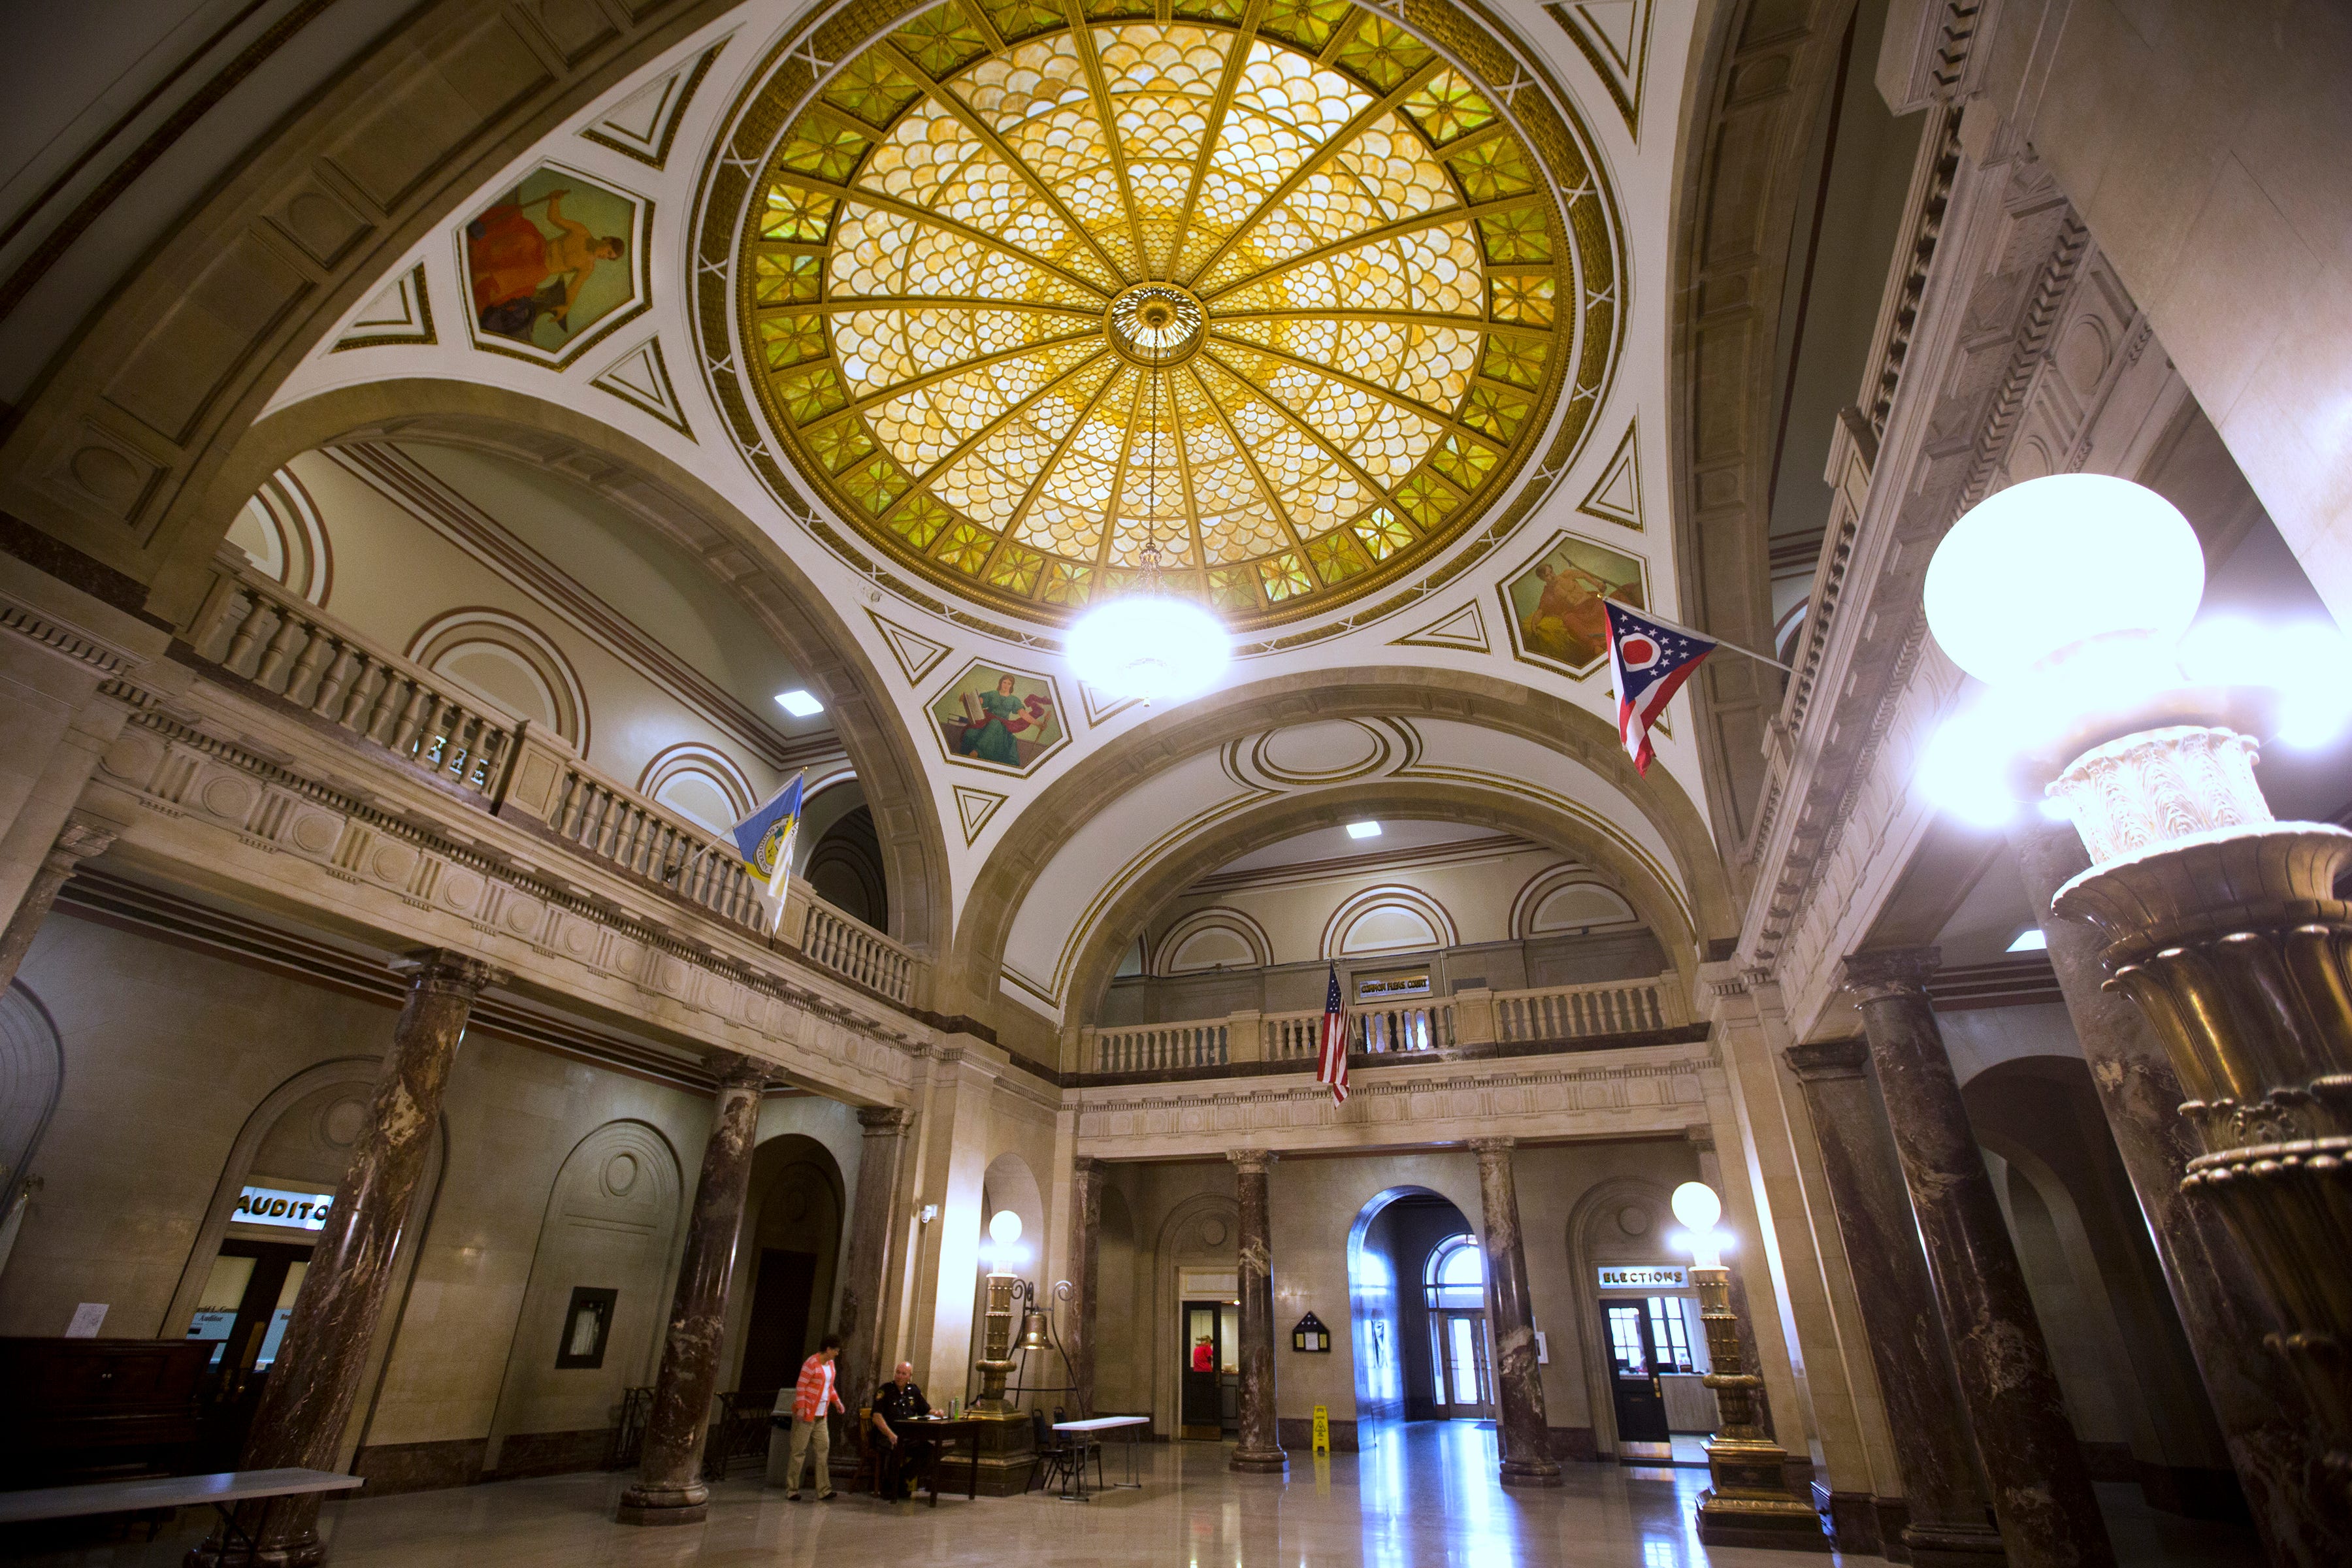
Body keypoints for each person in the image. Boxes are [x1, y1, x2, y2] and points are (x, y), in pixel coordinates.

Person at [783, 1335, 846, 1501]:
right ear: (829, 1349)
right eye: (836, 1351)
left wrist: (837, 1403)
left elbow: (829, 1387)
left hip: (821, 1415)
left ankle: (824, 1489)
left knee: (823, 1450)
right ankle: (792, 1489)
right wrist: (802, 1408)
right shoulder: (811, 1363)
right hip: (806, 1415)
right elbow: (801, 1386)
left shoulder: (831, 1365)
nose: (837, 1354)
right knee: (799, 1451)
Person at [870, 1360, 933, 1499]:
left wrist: (938, 1413)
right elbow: (876, 1417)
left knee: (929, 1450)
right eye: (898, 1373)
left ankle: (900, 1479)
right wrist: (890, 1435)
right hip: (886, 1436)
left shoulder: (913, 1391)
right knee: (896, 1447)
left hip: (908, 1436)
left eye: (904, 1374)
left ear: (910, 1376)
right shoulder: (885, 1390)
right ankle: (889, 1487)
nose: (899, 1376)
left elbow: (926, 1410)